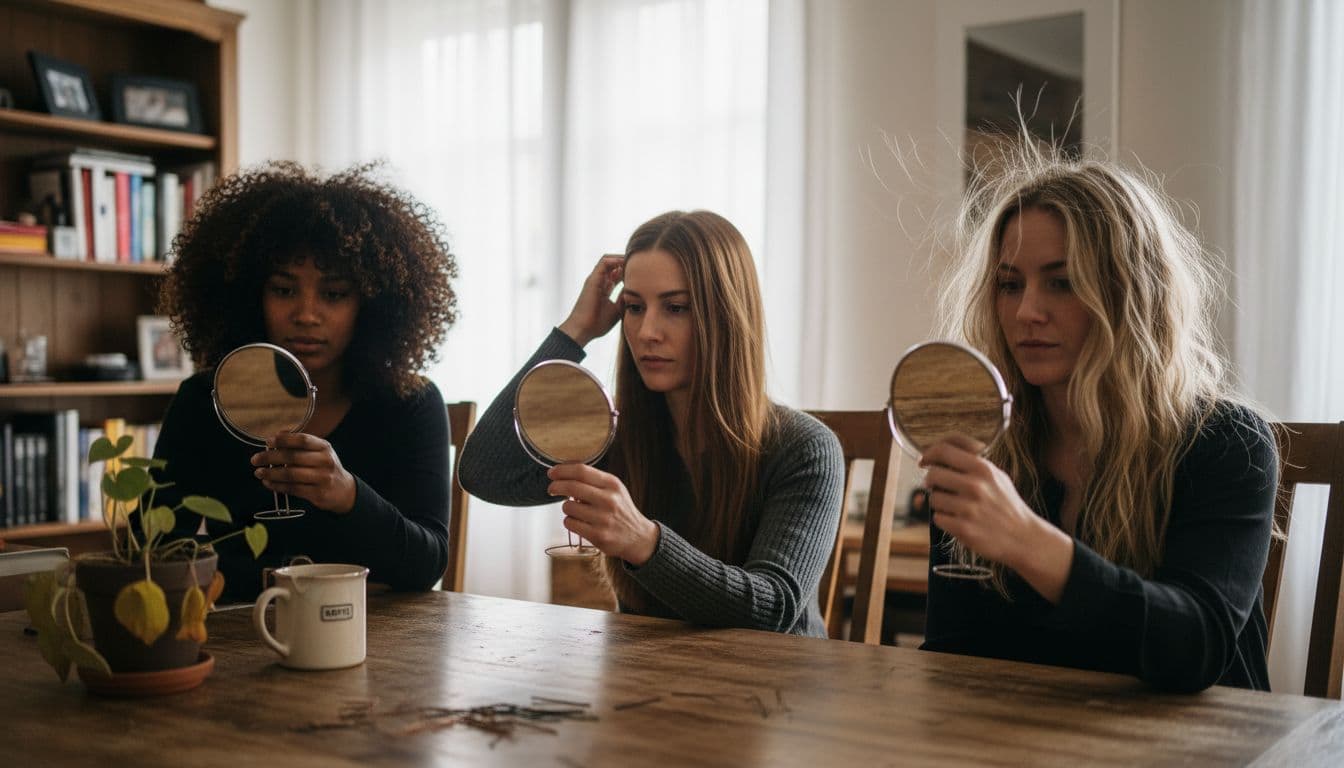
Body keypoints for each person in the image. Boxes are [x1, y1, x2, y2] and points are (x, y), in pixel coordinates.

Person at [919, 144, 1278, 692]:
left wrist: (1025, 539)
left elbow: (1197, 646)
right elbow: (952, 655)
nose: (1025, 312)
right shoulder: (987, 447)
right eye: (1010, 284)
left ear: (1131, 293)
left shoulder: (1225, 442)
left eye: (1061, 282)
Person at [458, 210, 844, 637]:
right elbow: (484, 473)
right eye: (634, 307)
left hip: (774, 690)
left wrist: (643, 541)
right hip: (645, 683)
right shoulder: (617, 438)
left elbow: (773, 608)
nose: (646, 332)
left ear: (728, 317)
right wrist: (574, 333)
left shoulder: (806, 448)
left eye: (676, 307)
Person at [152, 161, 459, 601]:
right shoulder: (205, 400)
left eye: (333, 295)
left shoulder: (410, 403)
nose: (306, 314)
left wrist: (349, 495)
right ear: (249, 295)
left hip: (375, 644)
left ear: (371, 304)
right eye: (283, 289)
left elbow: (426, 565)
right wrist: (280, 581)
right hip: (239, 641)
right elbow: (154, 550)